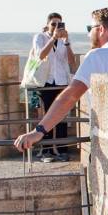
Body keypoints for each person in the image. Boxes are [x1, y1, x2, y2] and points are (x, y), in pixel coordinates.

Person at [13, 7, 108, 154]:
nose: (88, 34)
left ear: (101, 29)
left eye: (90, 28)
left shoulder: (96, 56)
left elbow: (71, 95)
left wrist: (38, 131)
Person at [30, 12, 80, 161]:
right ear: (47, 25)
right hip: (46, 82)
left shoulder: (65, 40)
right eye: (53, 24)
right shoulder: (40, 37)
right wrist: (53, 38)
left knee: (62, 116)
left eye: (60, 24)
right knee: (46, 116)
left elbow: (71, 61)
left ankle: (62, 149)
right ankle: (46, 151)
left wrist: (66, 42)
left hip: (62, 81)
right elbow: (40, 55)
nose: (57, 27)